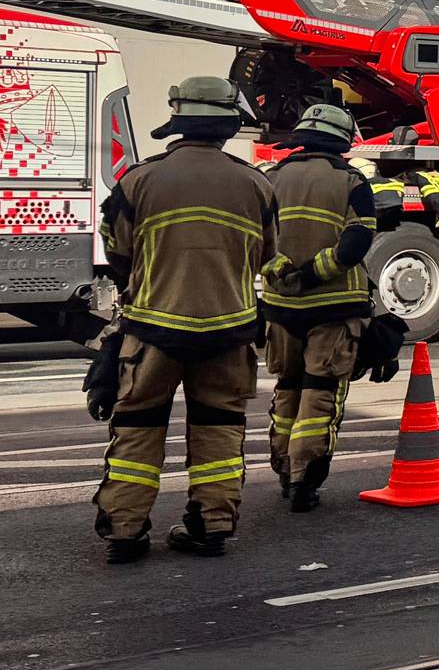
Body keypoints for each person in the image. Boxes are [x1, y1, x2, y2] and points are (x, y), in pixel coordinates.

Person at [86, 78, 278, 562]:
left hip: (152, 330)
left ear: (178, 120)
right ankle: (212, 525)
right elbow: (267, 255)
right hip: (228, 332)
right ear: (227, 125)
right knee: (219, 428)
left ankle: (125, 531)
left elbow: (117, 252)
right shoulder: (256, 184)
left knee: (138, 427)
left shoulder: (140, 179)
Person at [256, 105, 384, 513]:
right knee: (320, 395)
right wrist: (315, 273)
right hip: (334, 309)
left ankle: (283, 468)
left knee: (287, 389)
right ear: (342, 141)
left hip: (280, 308)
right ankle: (304, 481)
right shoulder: (351, 181)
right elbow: (357, 243)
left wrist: (283, 271)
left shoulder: (270, 178)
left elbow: (254, 239)